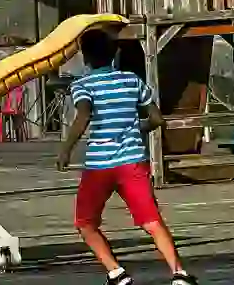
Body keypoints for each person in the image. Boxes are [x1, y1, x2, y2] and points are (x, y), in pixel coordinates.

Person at [56, 28, 198, 285]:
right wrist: (135, 127)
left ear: (85, 58)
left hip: (100, 166)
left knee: (85, 223)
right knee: (152, 220)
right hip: (133, 161)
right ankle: (179, 274)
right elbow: (157, 119)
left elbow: (84, 115)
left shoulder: (82, 85)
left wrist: (66, 149)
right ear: (114, 54)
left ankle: (116, 272)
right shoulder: (131, 80)